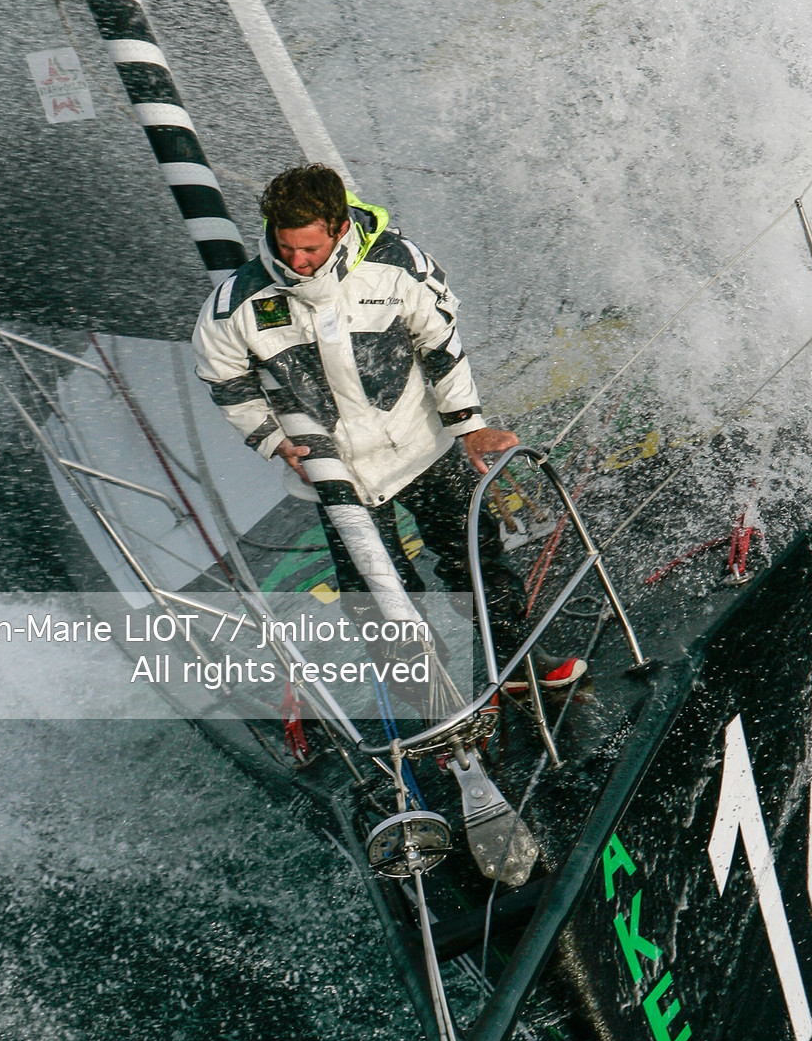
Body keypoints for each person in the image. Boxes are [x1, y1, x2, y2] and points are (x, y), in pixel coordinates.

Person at [191, 162, 584, 694]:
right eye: (285, 247)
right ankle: (433, 704)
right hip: (337, 473)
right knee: (374, 597)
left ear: (339, 228)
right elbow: (224, 377)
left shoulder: (399, 266)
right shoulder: (237, 302)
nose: (297, 262)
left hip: (422, 447)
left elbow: (441, 346)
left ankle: (517, 663)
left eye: (310, 249)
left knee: (476, 555)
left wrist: (469, 426)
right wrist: (272, 439)